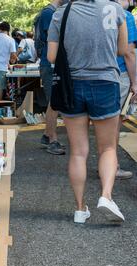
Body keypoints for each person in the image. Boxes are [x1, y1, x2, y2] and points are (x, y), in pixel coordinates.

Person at [47, 0, 128, 224]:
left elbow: (51, 57)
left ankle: (80, 209)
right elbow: (122, 50)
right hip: (106, 83)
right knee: (108, 147)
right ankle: (106, 196)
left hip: (72, 86)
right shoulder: (116, 10)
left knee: (78, 152)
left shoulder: (61, 13)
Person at [37, 0, 68, 155]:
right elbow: (53, 39)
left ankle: (47, 135)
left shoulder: (50, 12)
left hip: (51, 63)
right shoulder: (50, 13)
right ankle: (52, 139)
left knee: (54, 102)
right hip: (51, 64)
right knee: (54, 103)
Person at [115, 0, 137, 179]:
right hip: (118, 73)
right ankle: (111, 166)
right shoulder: (125, 16)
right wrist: (134, 82)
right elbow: (129, 52)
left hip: (90, 74)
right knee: (114, 124)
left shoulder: (90, 12)